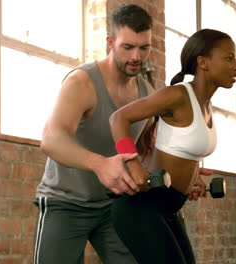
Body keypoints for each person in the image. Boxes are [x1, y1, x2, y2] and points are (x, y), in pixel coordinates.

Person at [33, 4, 152, 264]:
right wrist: (99, 164)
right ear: (110, 42)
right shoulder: (82, 82)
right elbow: (51, 139)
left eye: (144, 48)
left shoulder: (148, 95)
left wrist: (189, 175)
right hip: (64, 202)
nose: (136, 57)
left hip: (114, 207)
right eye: (128, 47)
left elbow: (144, 151)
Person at [109, 28, 236, 264]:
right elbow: (118, 118)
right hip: (141, 206)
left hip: (170, 207)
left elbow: (180, 148)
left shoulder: (206, 105)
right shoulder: (178, 95)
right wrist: (132, 163)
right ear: (203, 62)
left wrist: (193, 179)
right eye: (229, 58)